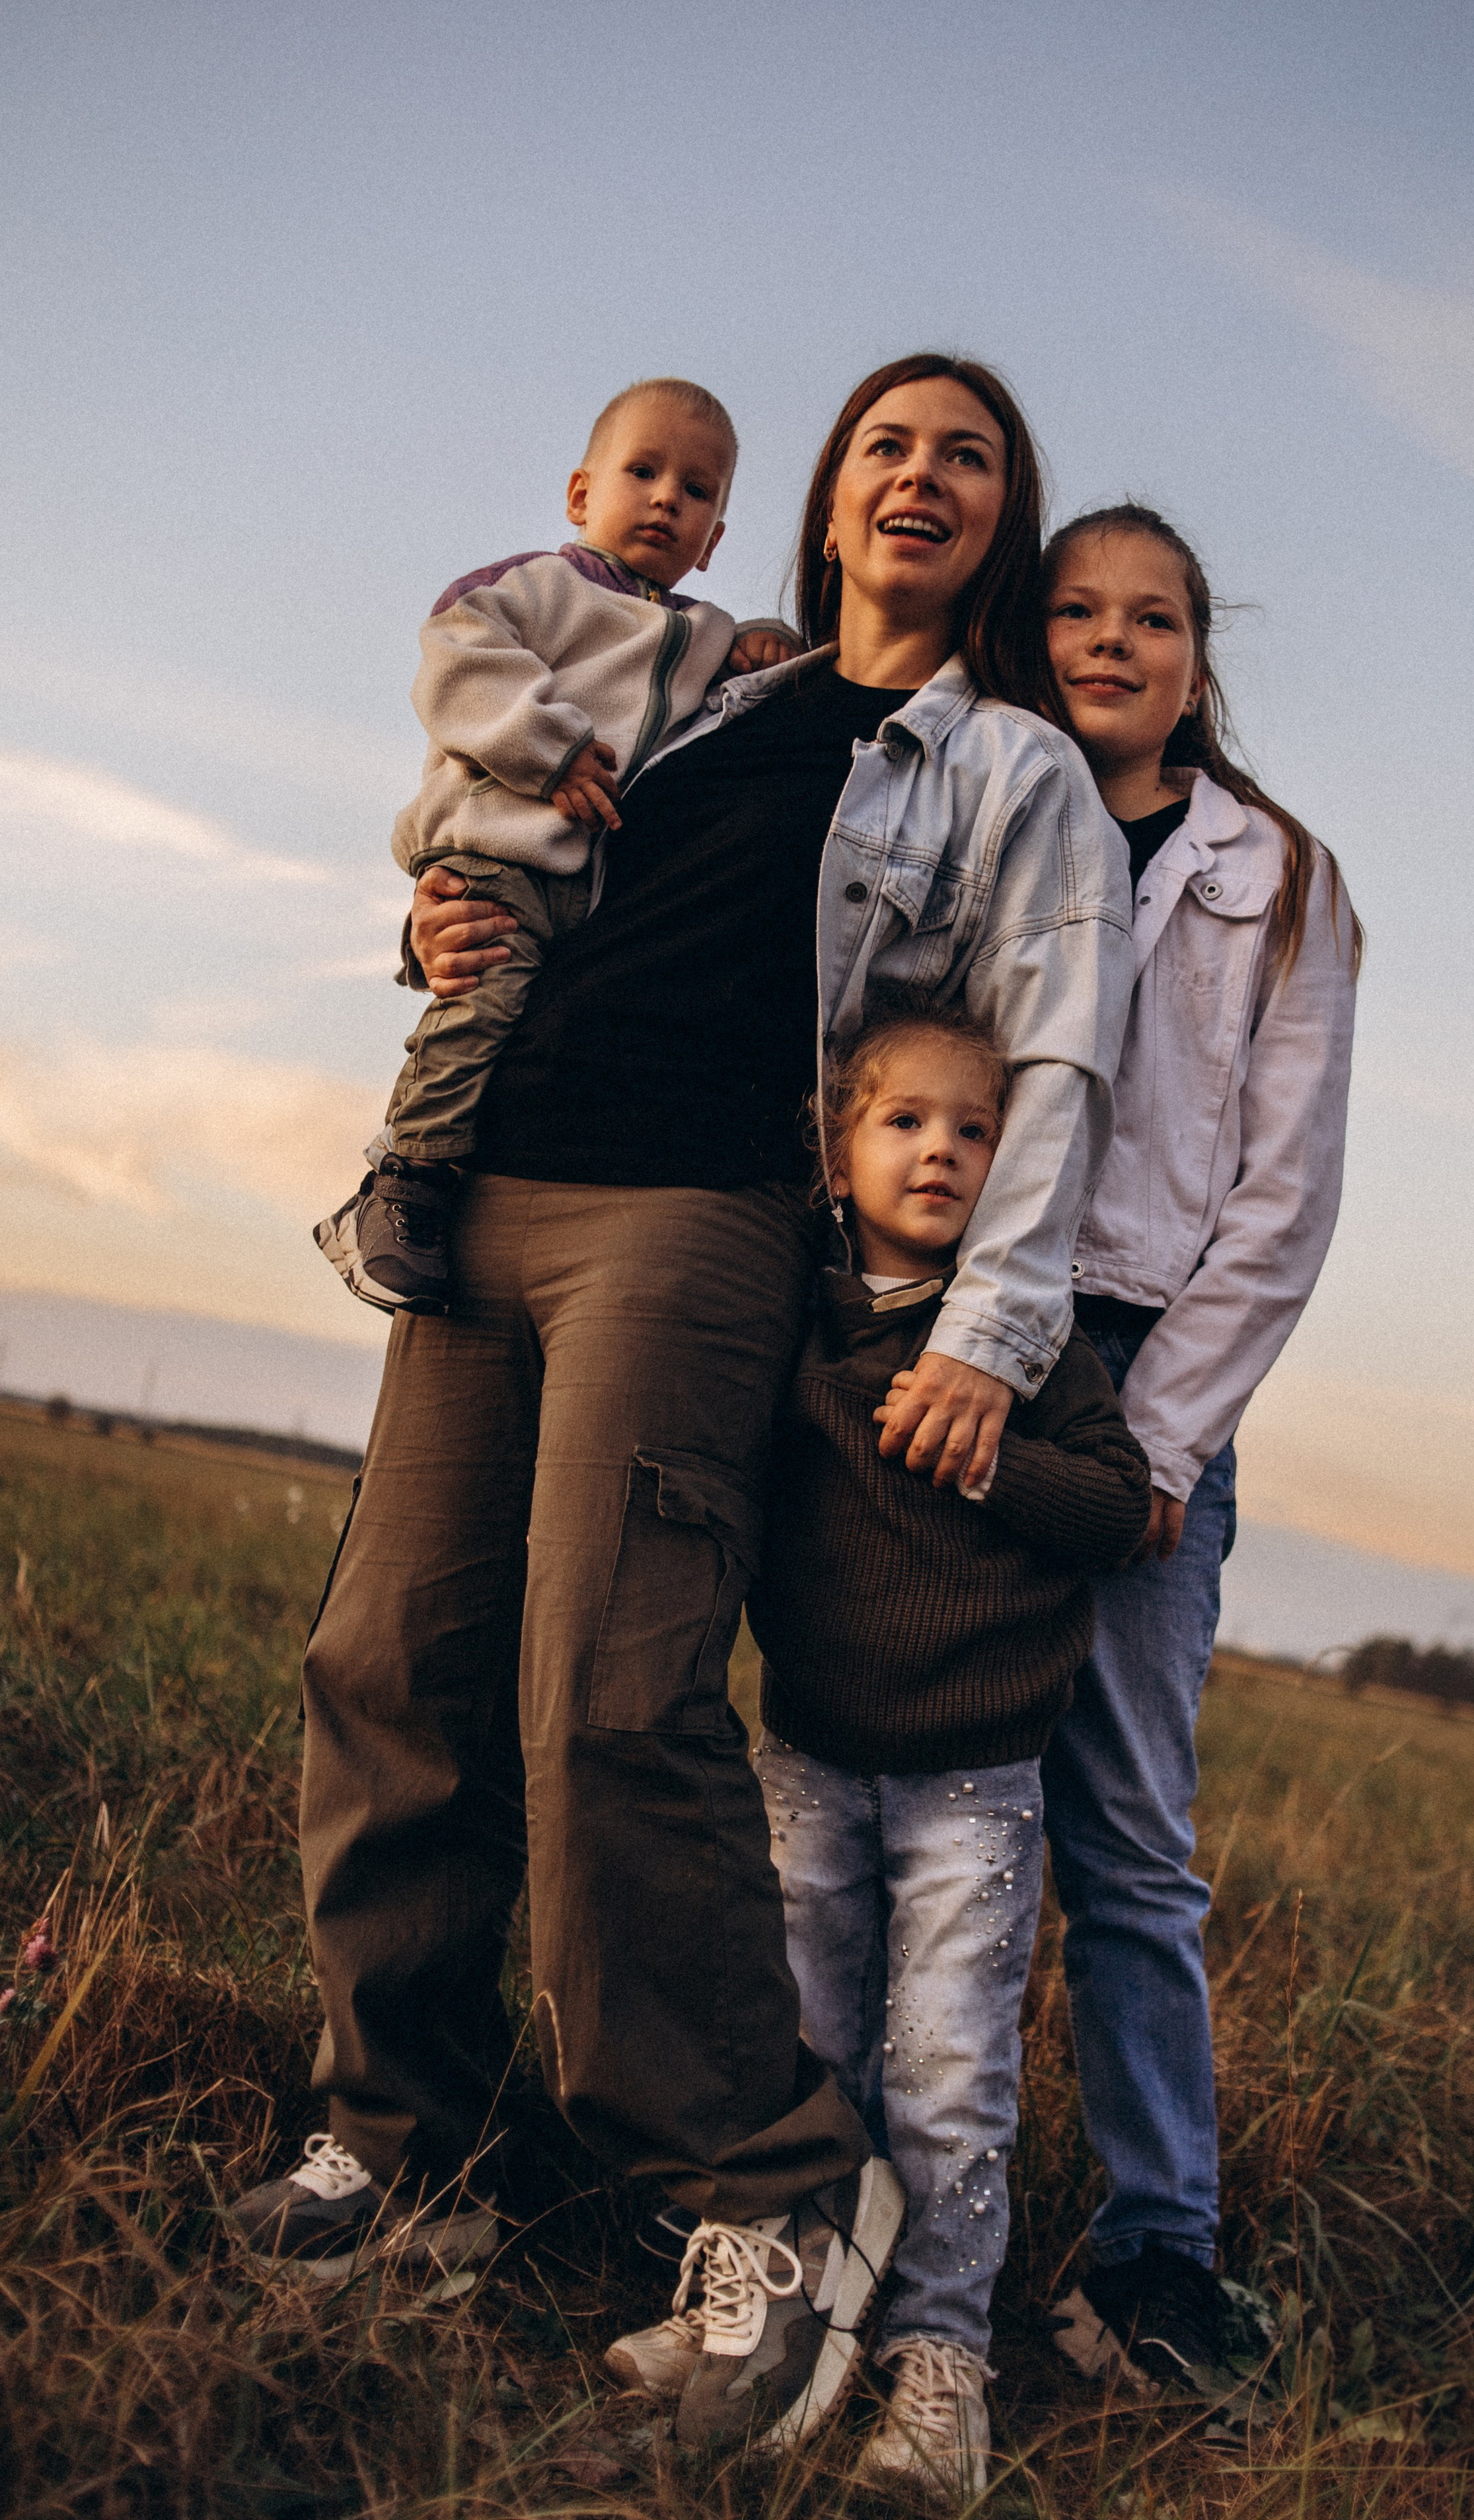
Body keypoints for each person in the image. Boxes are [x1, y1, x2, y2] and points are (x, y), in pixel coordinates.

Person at [234, 357, 1134, 2457]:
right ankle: (406, 2140)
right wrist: (441, 921)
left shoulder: (1006, 767)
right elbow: (531, 842)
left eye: (970, 455)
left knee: (607, 1701)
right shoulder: (704, 684)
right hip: (492, 1182)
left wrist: (992, 1336)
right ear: (828, 493)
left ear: (999, 520)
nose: (922, 475)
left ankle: (771, 2194)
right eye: (890, 442)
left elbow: (1059, 1063)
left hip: (698, 1216)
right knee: (390, 1663)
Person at [1035, 504, 1361, 2408]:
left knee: (1130, 1843)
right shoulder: (977, 800)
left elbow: (1283, 1196)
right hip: (957, 1342)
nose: (1111, 640)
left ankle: (1157, 2251)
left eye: (1150, 616)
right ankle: (863, 2190)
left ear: (1195, 659)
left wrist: (1161, 1437)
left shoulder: (1279, 876)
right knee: (904, 1799)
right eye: (1075, 610)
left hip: (1142, 1364)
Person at [743, 1005, 1149, 2501]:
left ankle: (938, 2361)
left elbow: (1115, 1508)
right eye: (905, 1121)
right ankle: (785, 2318)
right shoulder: (793, 1308)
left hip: (971, 1780)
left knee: (949, 2073)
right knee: (801, 2048)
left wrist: (993, 1456)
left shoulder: (1024, 1335)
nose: (940, 1152)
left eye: (975, 1132)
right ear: (836, 1146)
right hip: (808, 1756)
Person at [313, 375, 797, 1316]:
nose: (667, 498)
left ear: (714, 540)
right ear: (582, 494)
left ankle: (452, 1183)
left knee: (531, 1031)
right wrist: (552, 749)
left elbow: (730, 690)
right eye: (643, 472)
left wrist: (765, 640)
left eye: (697, 490)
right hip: (497, 849)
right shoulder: (535, 587)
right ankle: (402, 1181)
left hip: (593, 885)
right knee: (481, 1002)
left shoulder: (701, 632)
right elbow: (457, 661)